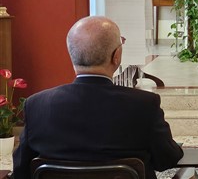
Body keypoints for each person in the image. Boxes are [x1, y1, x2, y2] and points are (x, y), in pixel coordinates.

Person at [12, 16, 183, 179]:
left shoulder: (37, 105)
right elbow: (166, 159)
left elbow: (21, 170)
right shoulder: (144, 105)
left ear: (71, 54)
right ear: (116, 56)